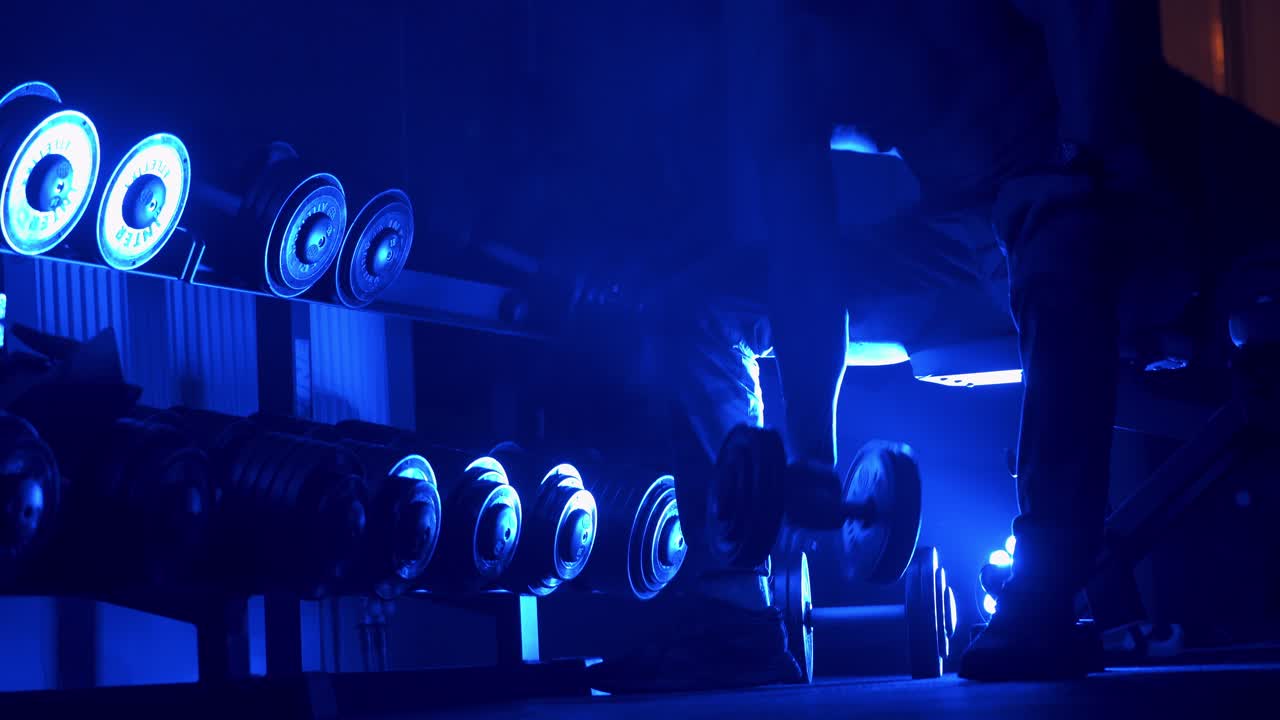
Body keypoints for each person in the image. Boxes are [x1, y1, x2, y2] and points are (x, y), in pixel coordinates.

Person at [588, 0, 1184, 691]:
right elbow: (805, 259)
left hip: (1101, 194)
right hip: (962, 241)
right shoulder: (783, 30)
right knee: (698, 306)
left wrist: (1082, 169)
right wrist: (813, 453)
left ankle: (1046, 594)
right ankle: (734, 614)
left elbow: (1094, 40)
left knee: (1060, 241)